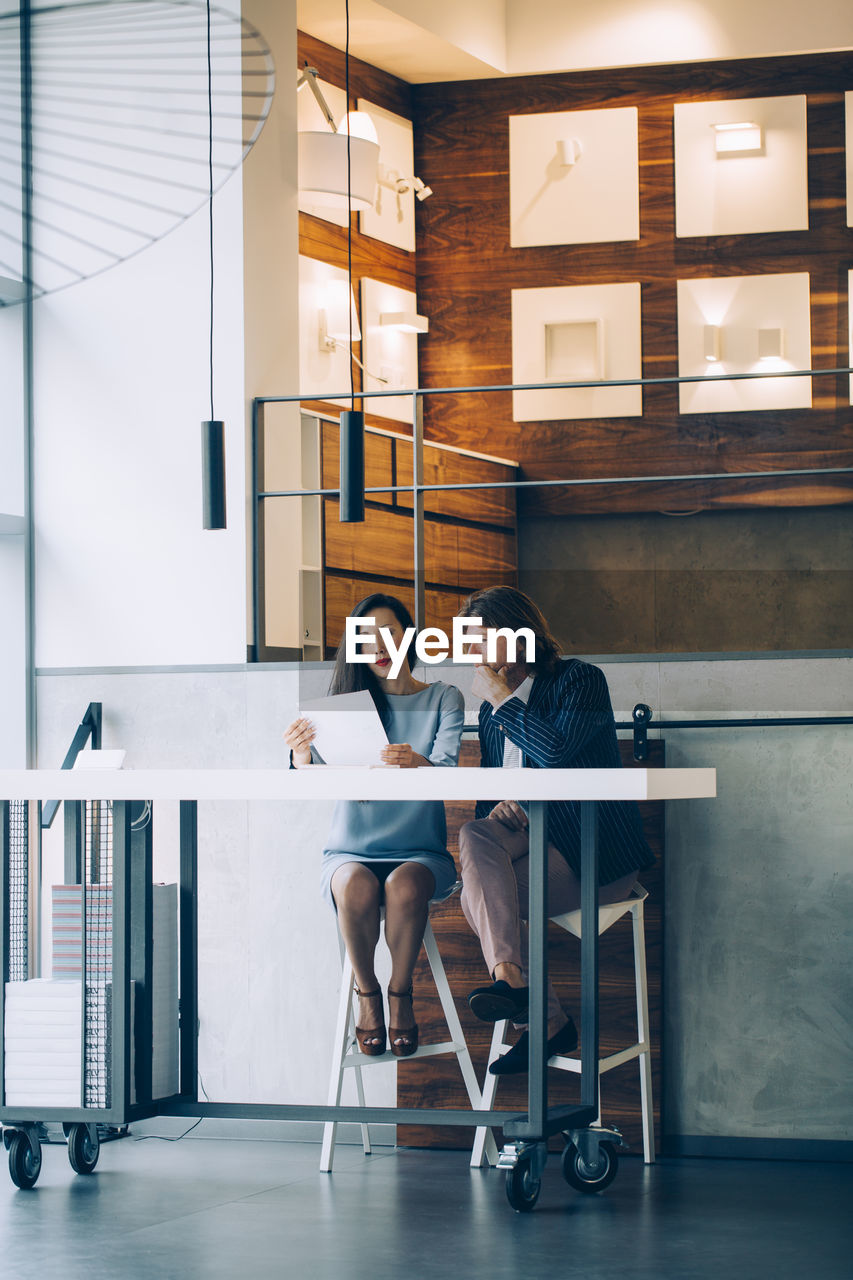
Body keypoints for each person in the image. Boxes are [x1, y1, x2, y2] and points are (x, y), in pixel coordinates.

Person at [457, 586, 654, 1075]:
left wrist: (503, 699)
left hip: (590, 850)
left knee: (480, 901)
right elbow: (486, 795)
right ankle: (516, 987)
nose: (476, 655)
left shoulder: (579, 681)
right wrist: (500, 801)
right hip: (527, 837)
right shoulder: (488, 713)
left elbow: (557, 753)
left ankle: (539, 1017)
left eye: (484, 640)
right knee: (474, 834)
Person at [284, 593, 464, 1058]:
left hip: (420, 853)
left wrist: (418, 762)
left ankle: (401, 993)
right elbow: (312, 779)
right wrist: (300, 756)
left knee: (404, 887)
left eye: (388, 633)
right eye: (366, 639)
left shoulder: (444, 697)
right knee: (354, 885)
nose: (380, 647)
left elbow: (448, 769)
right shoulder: (346, 706)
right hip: (349, 852)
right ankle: (368, 995)